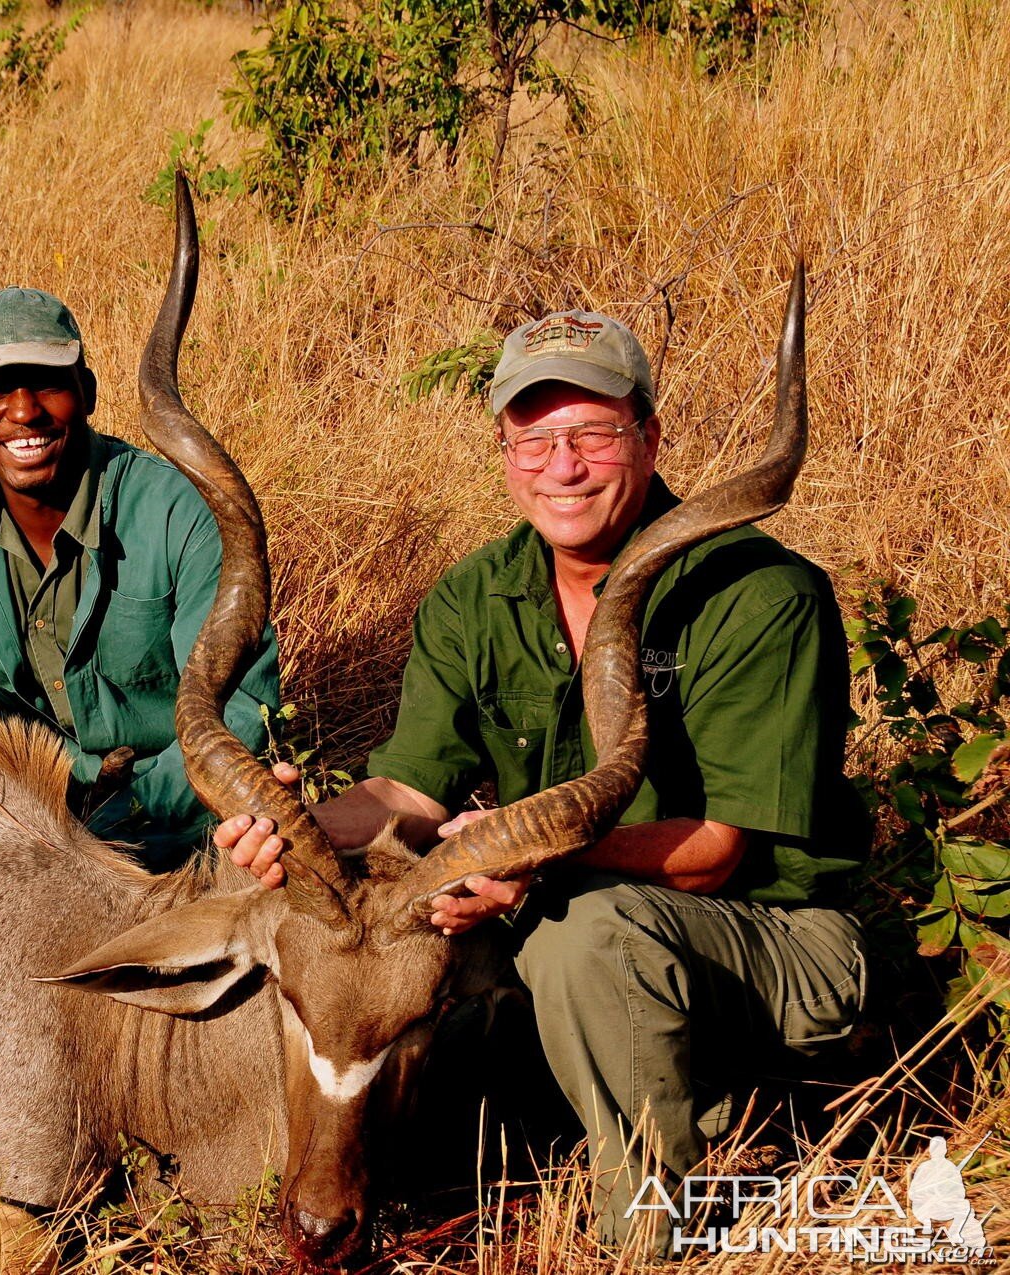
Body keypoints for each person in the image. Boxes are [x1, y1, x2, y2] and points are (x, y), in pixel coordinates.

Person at [216, 308, 867, 1246]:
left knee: (580, 938)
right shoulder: (476, 595)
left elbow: (721, 851)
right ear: (506, 449)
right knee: (361, 943)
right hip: (564, 913)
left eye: (593, 433)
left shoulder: (763, 596)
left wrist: (539, 863)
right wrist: (286, 823)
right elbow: (404, 796)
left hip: (776, 942)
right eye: (535, 437)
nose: (564, 466)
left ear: (649, 435)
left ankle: (655, 1234)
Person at [0, 286, 282, 867]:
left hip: (165, 813)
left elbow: (242, 710)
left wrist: (122, 822)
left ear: (87, 392)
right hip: (19, 804)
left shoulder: (178, 510)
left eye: (47, 383)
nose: (23, 412)